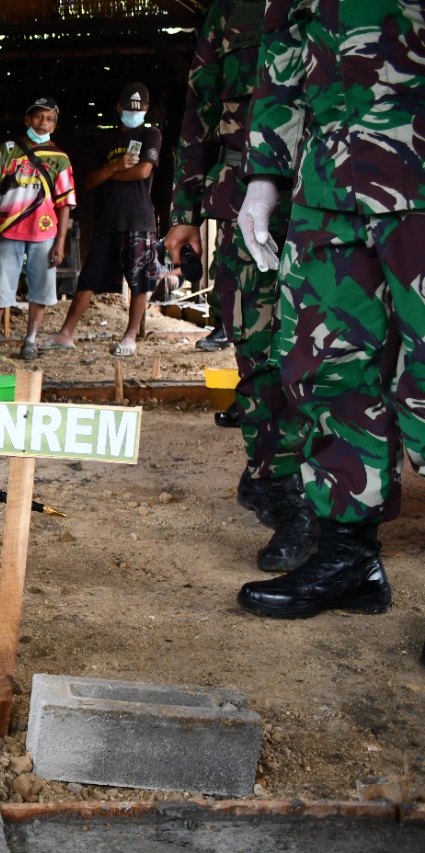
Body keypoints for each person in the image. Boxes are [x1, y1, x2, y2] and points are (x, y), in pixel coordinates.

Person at [235, 1, 423, 624]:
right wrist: (265, 174)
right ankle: (350, 556)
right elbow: (283, 50)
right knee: (328, 367)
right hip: (328, 181)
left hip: (418, 166)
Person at [163, 0, 314, 575]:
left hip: (334, 197)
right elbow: (197, 111)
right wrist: (182, 210)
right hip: (243, 209)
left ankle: (321, 490)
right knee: (257, 354)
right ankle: (280, 488)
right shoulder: (231, 11)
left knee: (325, 353)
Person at [43, 82, 162, 357]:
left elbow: (143, 171)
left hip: (139, 220)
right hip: (109, 220)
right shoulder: (106, 141)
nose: (134, 112)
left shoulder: (151, 133)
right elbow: (88, 181)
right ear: (118, 108)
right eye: (129, 108)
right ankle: (65, 334)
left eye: (139, 108)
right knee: (89, 279)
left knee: (139, 281)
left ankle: (130, 336)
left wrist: (108, 174)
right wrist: (116, 167)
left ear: (145, 109)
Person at [0, 97, 76, 361]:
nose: (44, 123)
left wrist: (61, 242)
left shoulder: (60, 158)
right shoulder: (7, 149)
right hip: (7, 230)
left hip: (45, 233)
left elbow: (65, 204)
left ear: (55, 124)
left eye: (50, 119)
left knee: (41, 287)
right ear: (28, 120)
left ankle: (30, 341)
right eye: (39, 117)